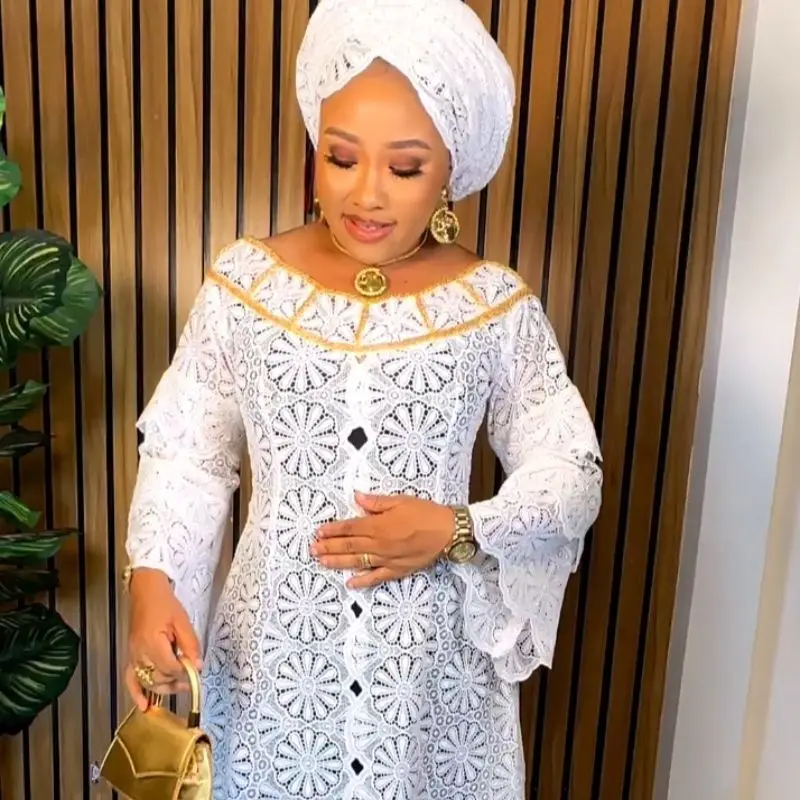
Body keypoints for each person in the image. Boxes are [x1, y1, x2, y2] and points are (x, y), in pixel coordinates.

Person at [122, 0, 603, 796]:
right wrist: (154, 584)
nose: (367, 194)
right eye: (342, 157)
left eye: (405, 169)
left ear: (450, 170)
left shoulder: (494, 308)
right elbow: (187, 454)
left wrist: (457, 528)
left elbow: (573, 473)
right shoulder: (246, 287)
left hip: (429, 686)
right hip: (272, 668)